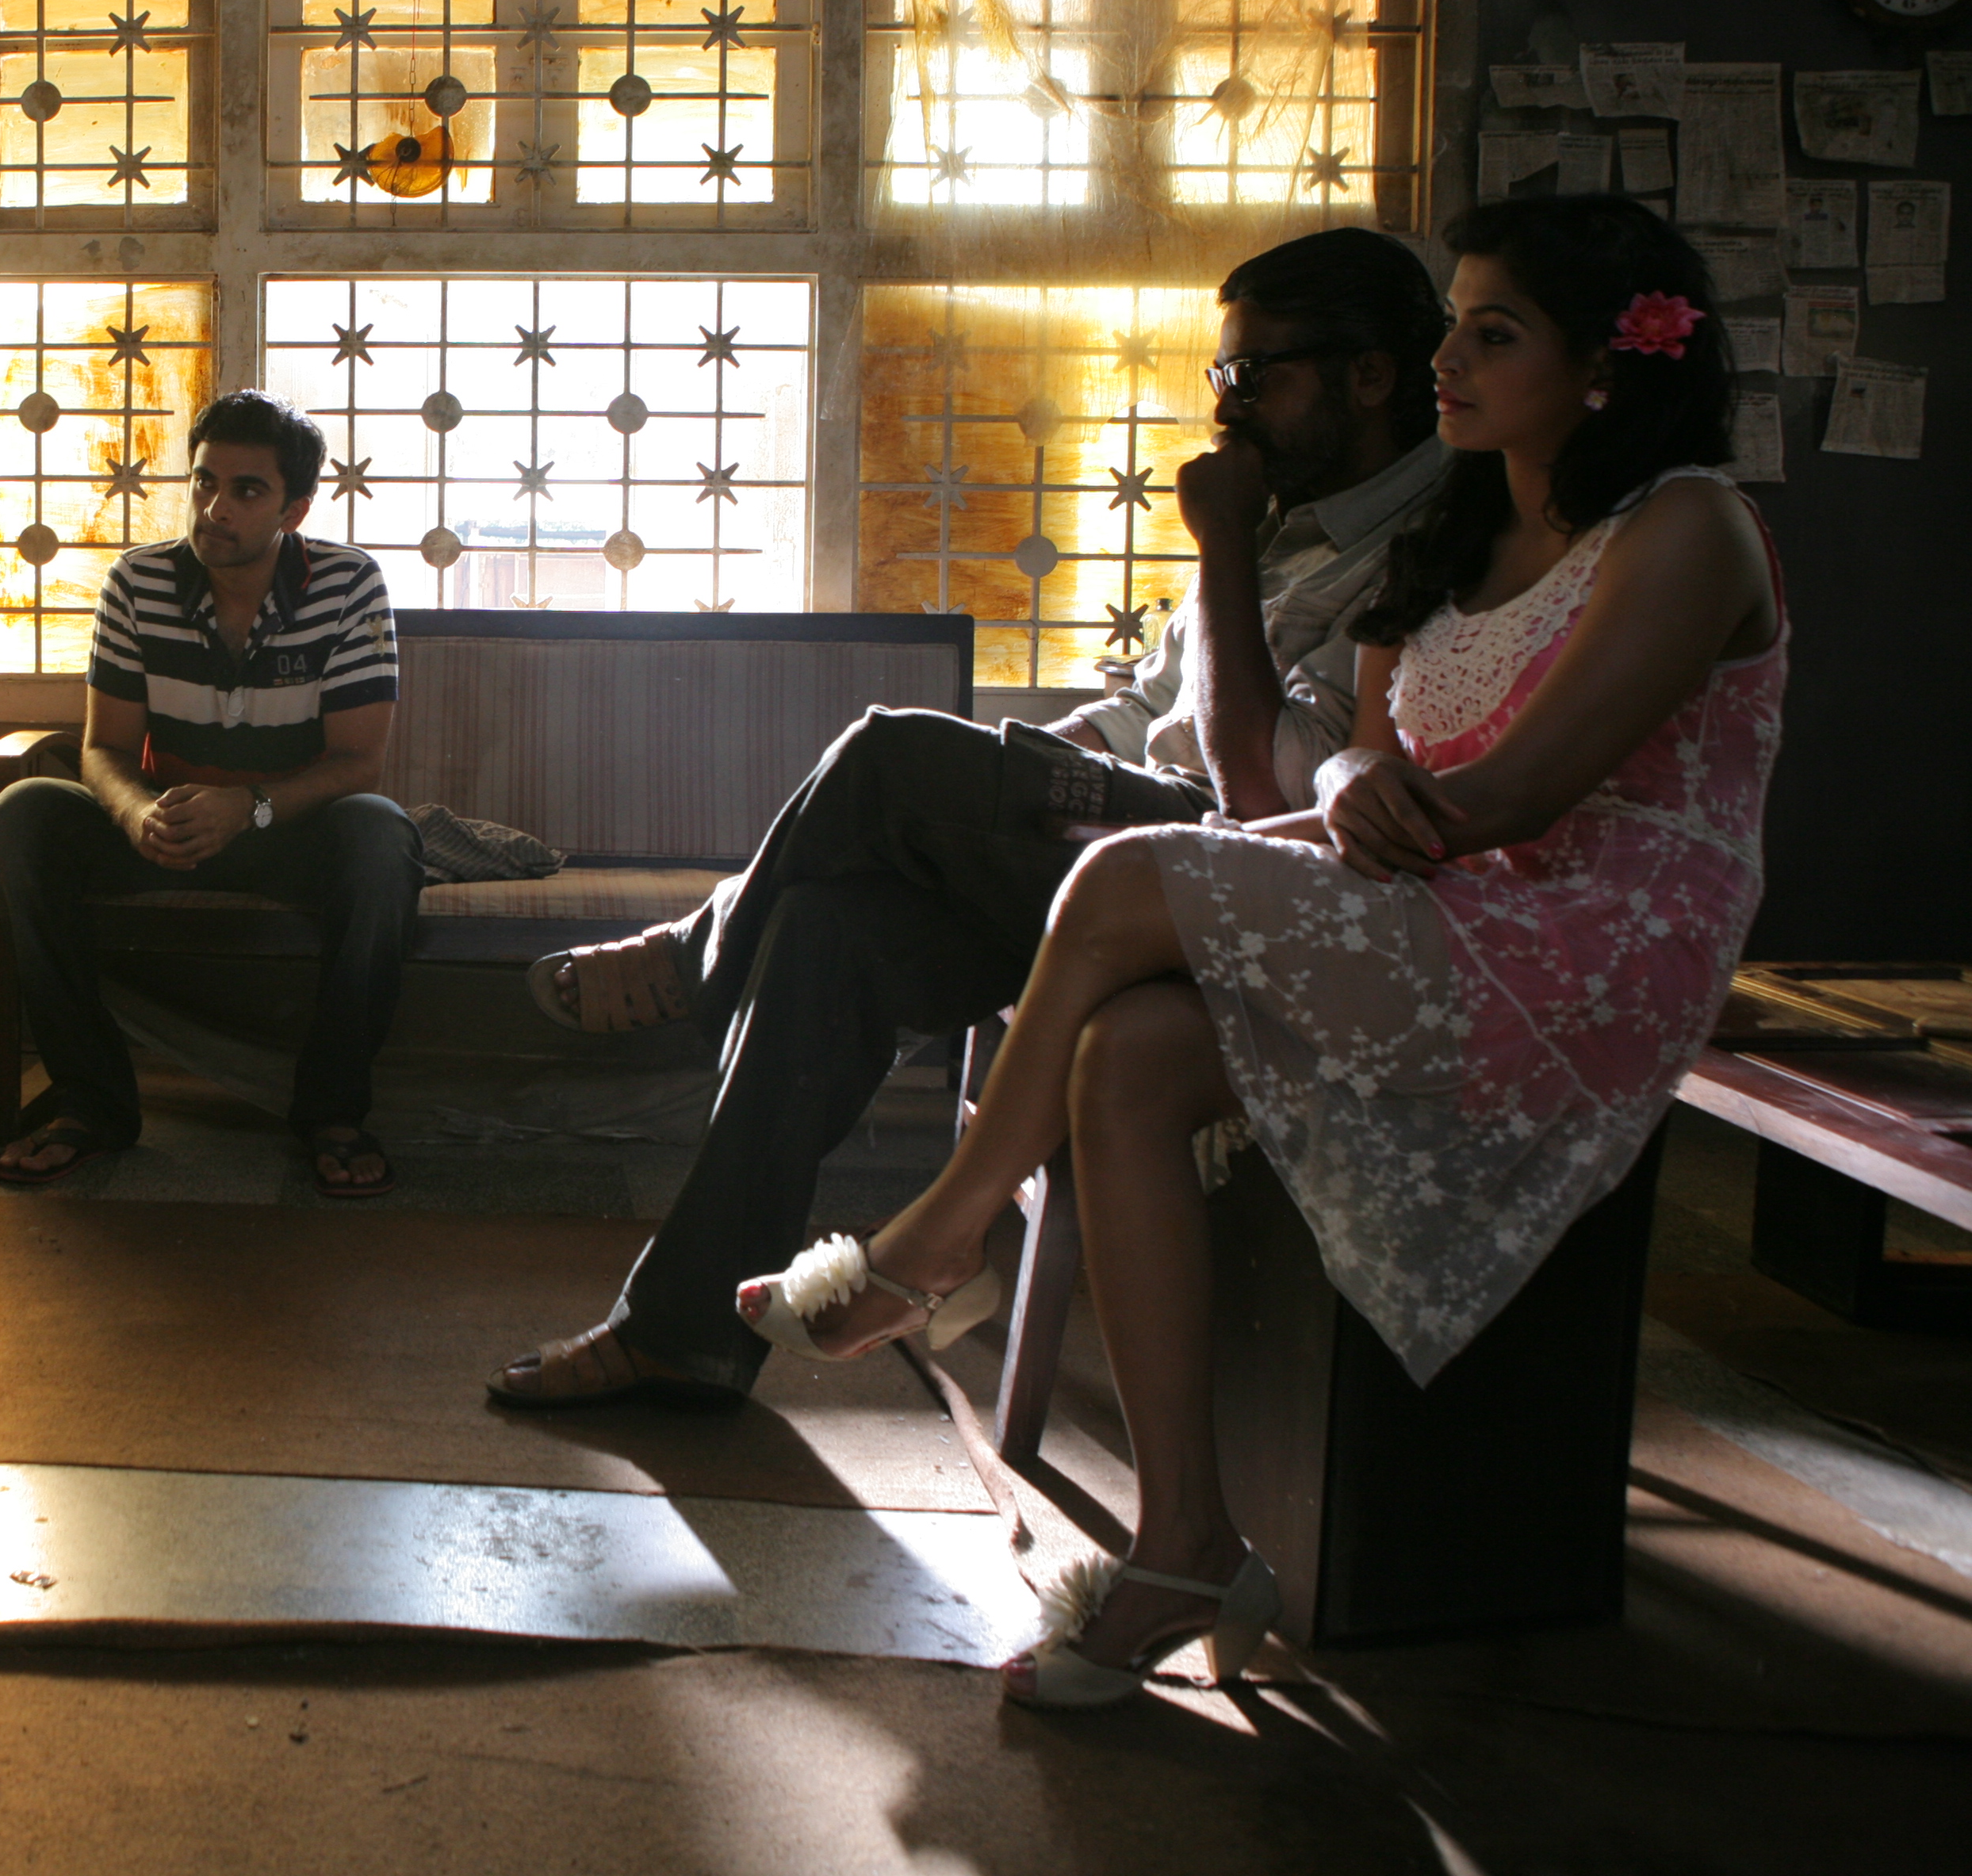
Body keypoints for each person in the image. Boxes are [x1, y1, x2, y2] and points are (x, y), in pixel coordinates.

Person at [741, 194, 1777, 1709]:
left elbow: (1501, 801)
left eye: (1492, 334)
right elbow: (1370, 799)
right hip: (1448, 905)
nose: (1447, 361)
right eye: (1450, 327)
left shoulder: (1686, 522)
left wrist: (1344, 792)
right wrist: (1341, 793)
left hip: (1585, 949)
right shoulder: (1455, 529)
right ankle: (1180, 1539)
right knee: (1127, 1055)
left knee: (1114, 874)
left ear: (1606, 368)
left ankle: (935, 1238)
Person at [490, 228, 1455, 1411]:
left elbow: (1267, 787)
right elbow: (1145, 702)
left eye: (1257, 377)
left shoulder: (1435, 543)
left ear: (1370, 374)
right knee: (823, 934)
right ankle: (683, 1330)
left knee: (893, 752)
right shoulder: (1276, 515)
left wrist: (1221, 555)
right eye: (1221, 377)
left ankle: (699, 955)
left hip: (1228, 871)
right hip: (1115, 843)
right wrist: (1044, 778)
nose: (1229, 408)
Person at [0, 390, 421, 1197]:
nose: (215, 508)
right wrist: (136, 810)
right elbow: (105, 748)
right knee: (21, 815)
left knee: (380, 835)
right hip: (166, 827)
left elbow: (358, 761)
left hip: (287, 833)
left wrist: (247, 807)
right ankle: (91, 1097)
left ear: (295, 506)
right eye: (204, 481)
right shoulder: (138, 582)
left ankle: (331, 1110)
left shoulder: (349, 584)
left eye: (247, 490)